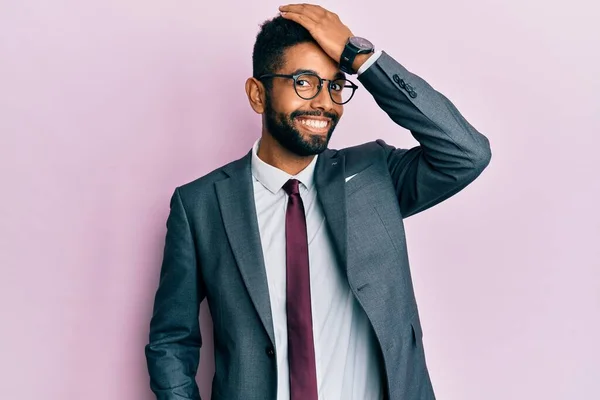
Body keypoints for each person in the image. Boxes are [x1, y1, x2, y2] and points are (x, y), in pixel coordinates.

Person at [144, 4, 491, 400]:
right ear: (258, 94)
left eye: (334, 85)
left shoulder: (374, 177)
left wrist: (362, 58)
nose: (325, 102)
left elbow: (467, 153)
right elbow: (172, 339)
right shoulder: (201, 205)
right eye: (304, 82)